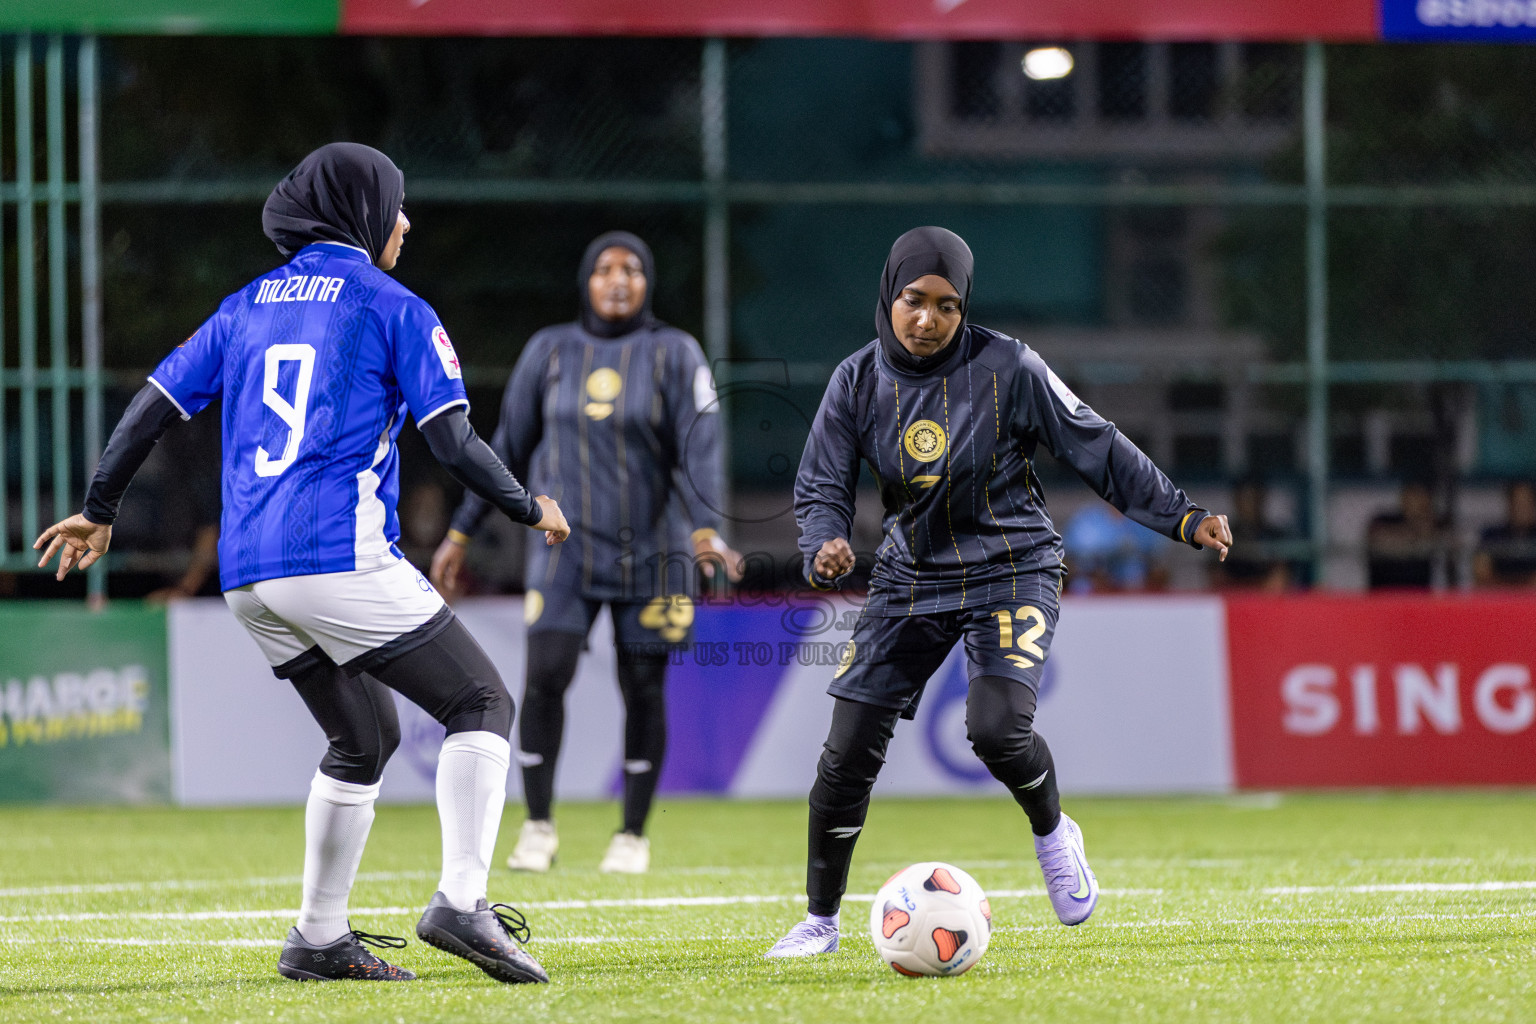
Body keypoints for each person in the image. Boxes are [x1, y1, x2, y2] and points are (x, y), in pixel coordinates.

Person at [33, 143, 570, 985]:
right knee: (482, 701)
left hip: (249, 573)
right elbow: (453, 443)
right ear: (362, 210)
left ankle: (318, 937)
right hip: (335, 556)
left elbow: (150, 407)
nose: (405, 221)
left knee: (363, 738)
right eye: (396, 204)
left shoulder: (247, 305)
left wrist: (101, 508)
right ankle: (461, 902)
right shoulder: (394, 305)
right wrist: (528, 505)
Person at [768, 226, 1231, 957]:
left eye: (947, 306)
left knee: (994, 729)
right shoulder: (855, 382)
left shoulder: (1008, 366)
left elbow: (1095, 442)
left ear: (964, 308)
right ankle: (819, 921)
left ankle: (1053, 834)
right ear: (888, 295)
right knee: (846, 752)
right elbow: (821, 484)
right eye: (914, 301)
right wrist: (822, 542)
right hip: (910, 577)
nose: (927, 320)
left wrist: (1181, 514)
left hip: (1011, 564)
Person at [431, 231, 741, 875]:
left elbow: (701, 448)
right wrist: (461, 532)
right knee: (544, 678)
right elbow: (505, 448)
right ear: (587, 281)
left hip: (652, 553)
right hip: (560, 551)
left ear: (647, 282)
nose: (619, 279)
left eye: (632, 268)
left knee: (644, 688)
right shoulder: (549, 351)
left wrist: (707, 529)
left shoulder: (674, 353)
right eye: (605, 268)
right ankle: (538, 825)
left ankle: (631, 835)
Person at [1209, 476, 1293, 592]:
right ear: (1236, 501)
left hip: (1267, 601)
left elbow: (1278, 580)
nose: (1250, 505)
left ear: (1262, 500)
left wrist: (1260, 590)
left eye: (1255, 499)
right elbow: (1217, 579)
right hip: (1233, 599)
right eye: (1245, 499)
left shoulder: (1276, 536)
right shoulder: (1220, 537)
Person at [1366, 478, 1449, 590]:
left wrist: (1426, 526)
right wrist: (1415, 534)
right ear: (1403, 498)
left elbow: (1452, 539)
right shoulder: (1384, 519)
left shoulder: (1434, 524)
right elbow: (1377, 537)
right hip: (1383, 595)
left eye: (1422, 497)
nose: (1417, 502)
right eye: (1413, 496)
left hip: (1419, 597)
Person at [1474, 479, 1536, 588]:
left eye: (1526, 503)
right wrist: (1511, 588)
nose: (1522, 509)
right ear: (1509, 504)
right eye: (1517, 503)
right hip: (1499, 599)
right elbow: (1481, 571)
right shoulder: (1491, 535)